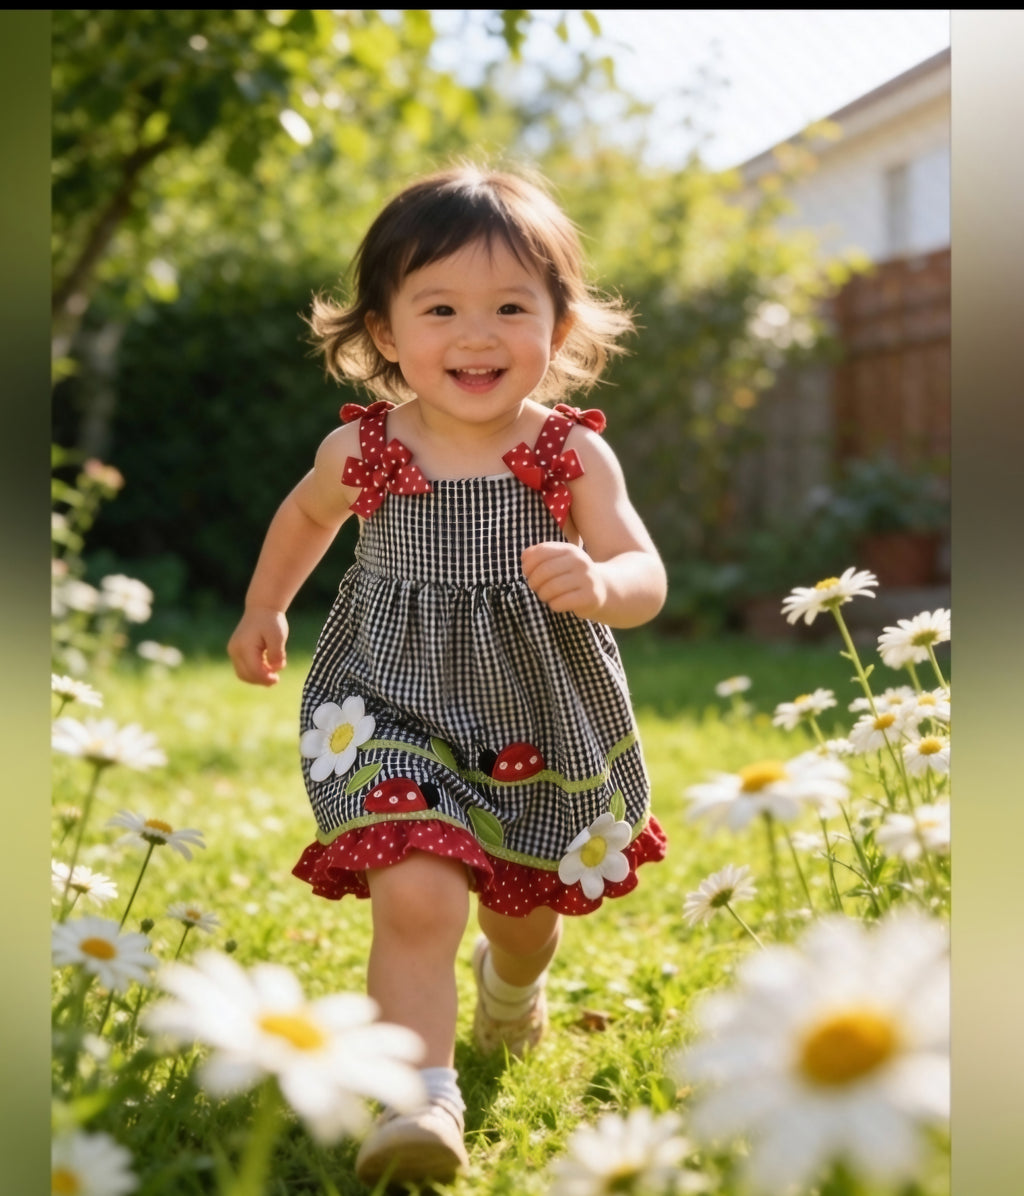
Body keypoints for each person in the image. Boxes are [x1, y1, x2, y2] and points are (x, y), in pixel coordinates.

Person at [227, 164, 668, 1186]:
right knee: (415, 891)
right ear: (385, 330)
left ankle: (508, 991)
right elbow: (303, 518)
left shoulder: (567, 454)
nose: (476, 334)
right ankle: (417, 1096)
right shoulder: (365, 447)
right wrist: (264, 603)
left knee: (525, 912)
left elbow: (645, 573)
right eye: (440, 307)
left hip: (533, 710)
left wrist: (602, 581)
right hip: (390, 698)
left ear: (557, 327)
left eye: (510, 306)